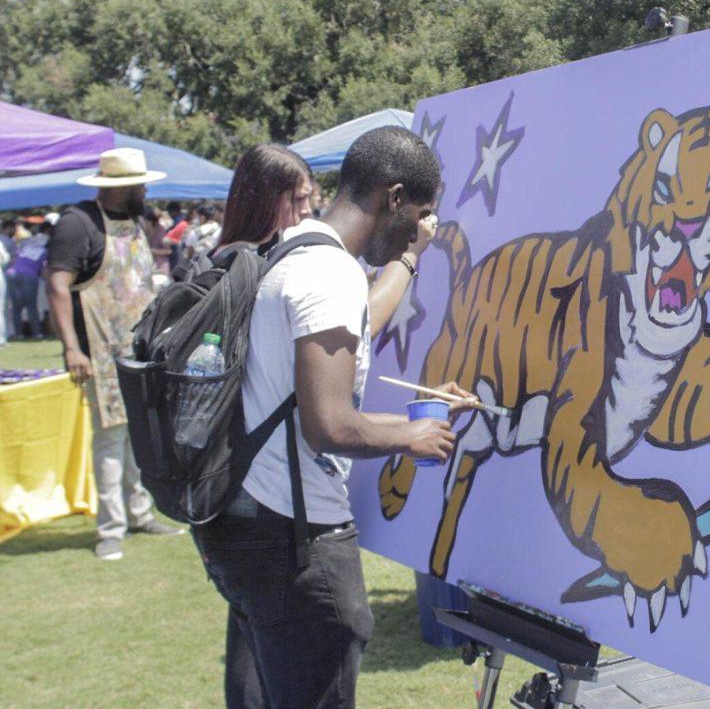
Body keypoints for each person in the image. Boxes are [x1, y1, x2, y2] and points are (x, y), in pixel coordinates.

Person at [191, 127, 474, 708]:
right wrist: (412, 433)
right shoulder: (329, 273)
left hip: (243, 519)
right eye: (418, 214)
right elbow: (330, 425)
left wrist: (408, 259)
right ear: (393, 198)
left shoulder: (292, 250)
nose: (418, 228)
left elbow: (347, 340)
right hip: (292, 537)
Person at [46, 148, 184, 561]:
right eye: (139, 183)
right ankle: (111, 527)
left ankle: (141, 513)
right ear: (119, 186)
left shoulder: (134, 220)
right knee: (109, 439)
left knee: (138, 435)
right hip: (99, 352)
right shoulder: (79, 223)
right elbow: (57, 286)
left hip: (140, 348)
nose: (144, 189)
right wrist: (72, 347)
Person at [8, 220, 50, 339]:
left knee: (16, 308)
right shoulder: (45, 250)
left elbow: (13, 260)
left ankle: (18, 333)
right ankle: (37, 333)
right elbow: (44, 269)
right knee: (31, 306)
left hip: (12, 274)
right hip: (29, 276)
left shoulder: (26, 244)